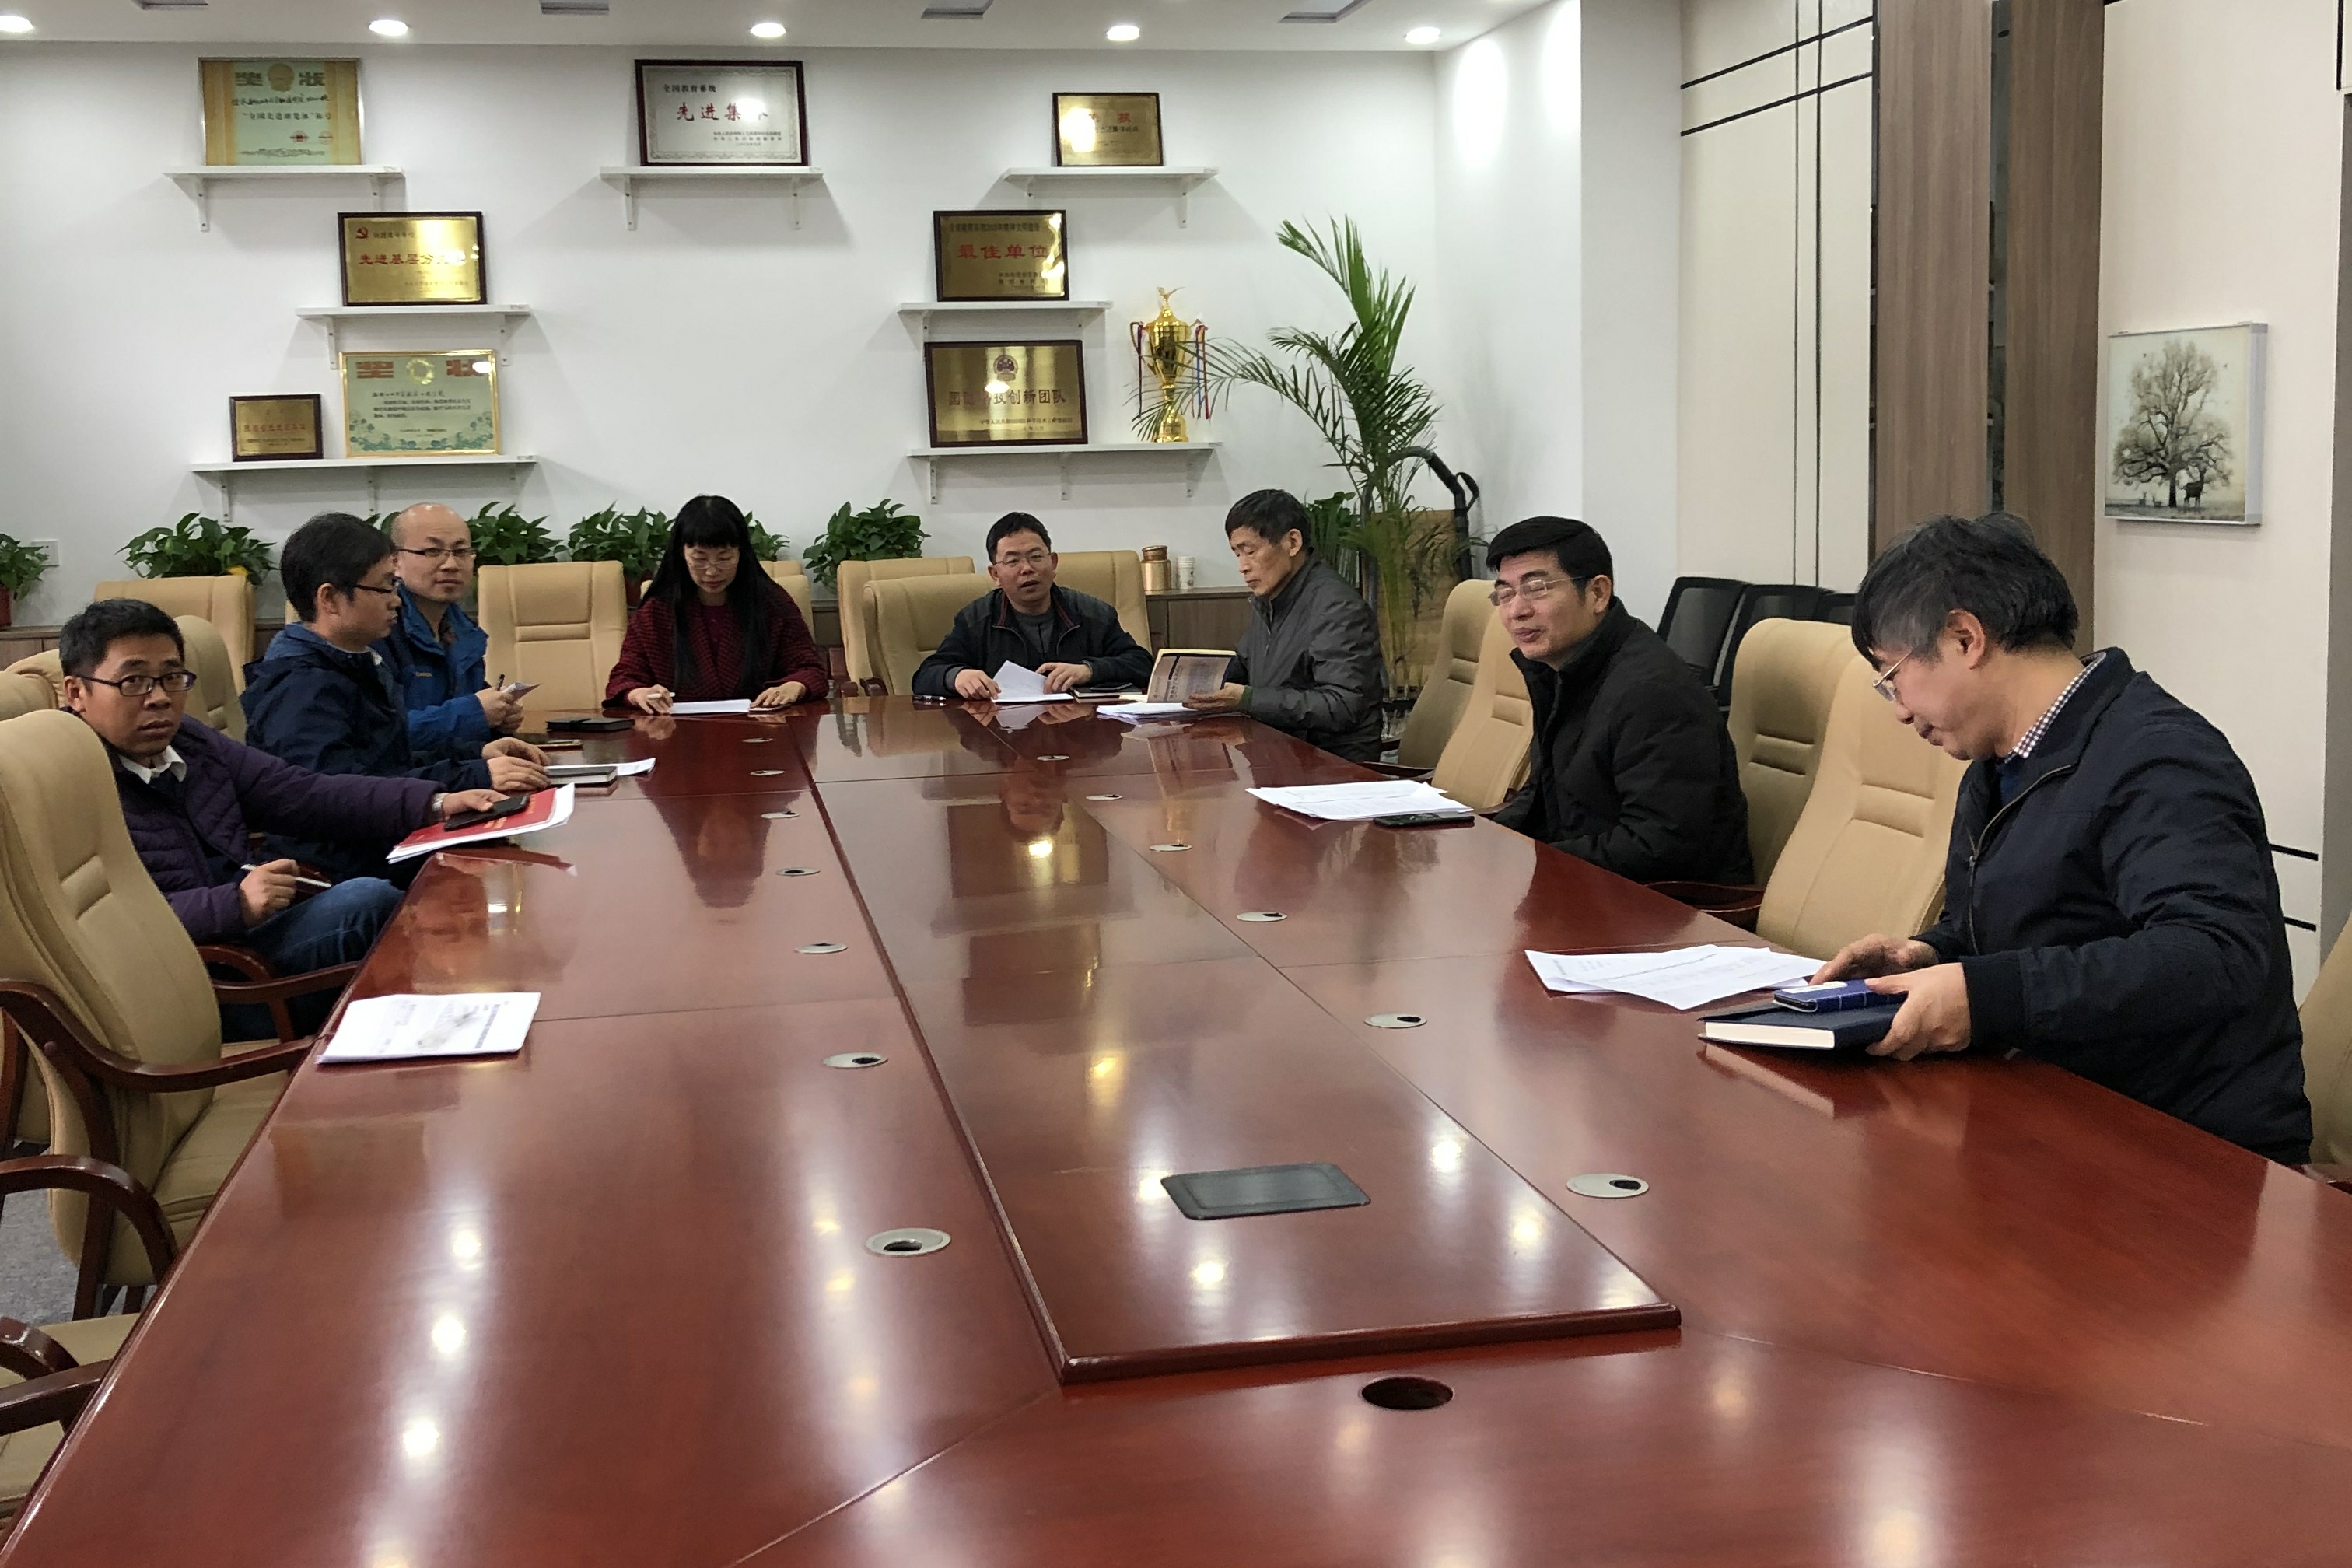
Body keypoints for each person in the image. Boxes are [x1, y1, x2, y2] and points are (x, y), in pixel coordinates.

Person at [1812, 511, 2310, 1163]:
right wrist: (1930, 956)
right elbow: (2020, 928)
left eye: (1892, 677)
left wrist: (1986, 995)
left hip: (2185, 1149)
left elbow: (2216, 954)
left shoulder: (2159, 758)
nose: (1900, 710)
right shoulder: (2001, 762)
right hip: (2052, 1113)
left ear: (1965, 638)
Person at [59, 598, 502, 1035]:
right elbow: (92, 928)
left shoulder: (188, 742)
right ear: (77, 692)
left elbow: (304, 795)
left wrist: (436, 803)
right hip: (195, 986)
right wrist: (233, 904)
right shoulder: (65, 780)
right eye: (134, 681)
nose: (159, 698)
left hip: (241, 942)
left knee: (418, 885)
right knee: (366, 904)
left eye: (171, 677)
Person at [243, 513, 549, 880]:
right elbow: (336, 799)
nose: (397, 601)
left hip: (383, 843)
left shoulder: (353, 662)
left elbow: (388, 761)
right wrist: (469, 777)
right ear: (330, 599)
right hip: (345, 870)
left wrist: (476, 756)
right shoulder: (300, 686)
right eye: (385, 587)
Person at [1484, 515, 1752, 884]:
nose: (1517, 611)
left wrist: (1531, 862)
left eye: (1536, 588)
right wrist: (1487, 843)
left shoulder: (1653, 692)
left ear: (1597, 594)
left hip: (1663, 905)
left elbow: (1659, 845)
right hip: (1588, 882)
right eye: (1505, 594)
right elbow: (1546, 792)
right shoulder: (1563, 670)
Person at [1182, 488, 1386, 762]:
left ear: (1292, 542)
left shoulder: (1337, 607)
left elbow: (1342, 705)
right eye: (1237, 554)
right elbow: (1246, 667)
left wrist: (1249, 699)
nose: (1242, 566)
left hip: (1331, 766)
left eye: (1250, 551)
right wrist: (1189, 679)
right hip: (1280, 755)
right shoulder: (1271, 598)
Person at [606, 495, 829, 713]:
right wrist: (639, 693)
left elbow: (810, 670)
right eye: (699, 559)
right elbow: (625, 678)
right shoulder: (658, 610)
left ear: (741, 553)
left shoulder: (772, 603)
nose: (712, 571)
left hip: (762, 727)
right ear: (681, 554)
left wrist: (794, 687)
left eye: (724, 558)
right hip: (678, 730)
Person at [913, 513, 1154, 699]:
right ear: (995, 574)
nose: (1027, 569)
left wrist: (1089, 670)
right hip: (1004, 735)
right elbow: (925, 675)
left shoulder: (1092, 613)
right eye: (1012, 561)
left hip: (1079, 735)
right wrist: (956, 676)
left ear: (1053, 563)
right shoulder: (976, 619)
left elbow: (1142, 664)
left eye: (1036, 557)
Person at [378, 501, 522, 753]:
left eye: (461, 551)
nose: (451, 565)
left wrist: (500, 719)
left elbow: (468, 720)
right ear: (395, 562)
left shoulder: (464, 631)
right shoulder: (379, 630)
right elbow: (379, 735)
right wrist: (475, 713)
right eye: (433, 551)